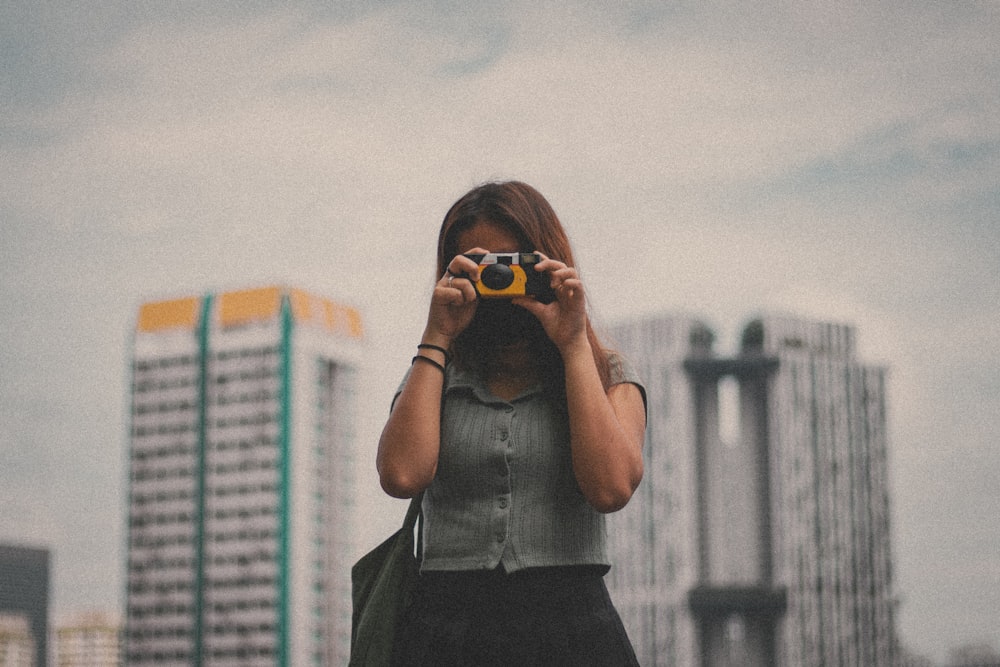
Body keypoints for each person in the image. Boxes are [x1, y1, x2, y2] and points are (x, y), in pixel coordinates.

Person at [377, 180, 646, 666]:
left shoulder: (607, 375)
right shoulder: (434, 371)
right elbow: (400, 476)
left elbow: (611, 490)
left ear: (548, 264)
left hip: (573, 631)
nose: (500, 283)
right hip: (444, 631)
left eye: (514, 265)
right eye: (484, 268)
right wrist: (436, 332)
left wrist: (572, 345)